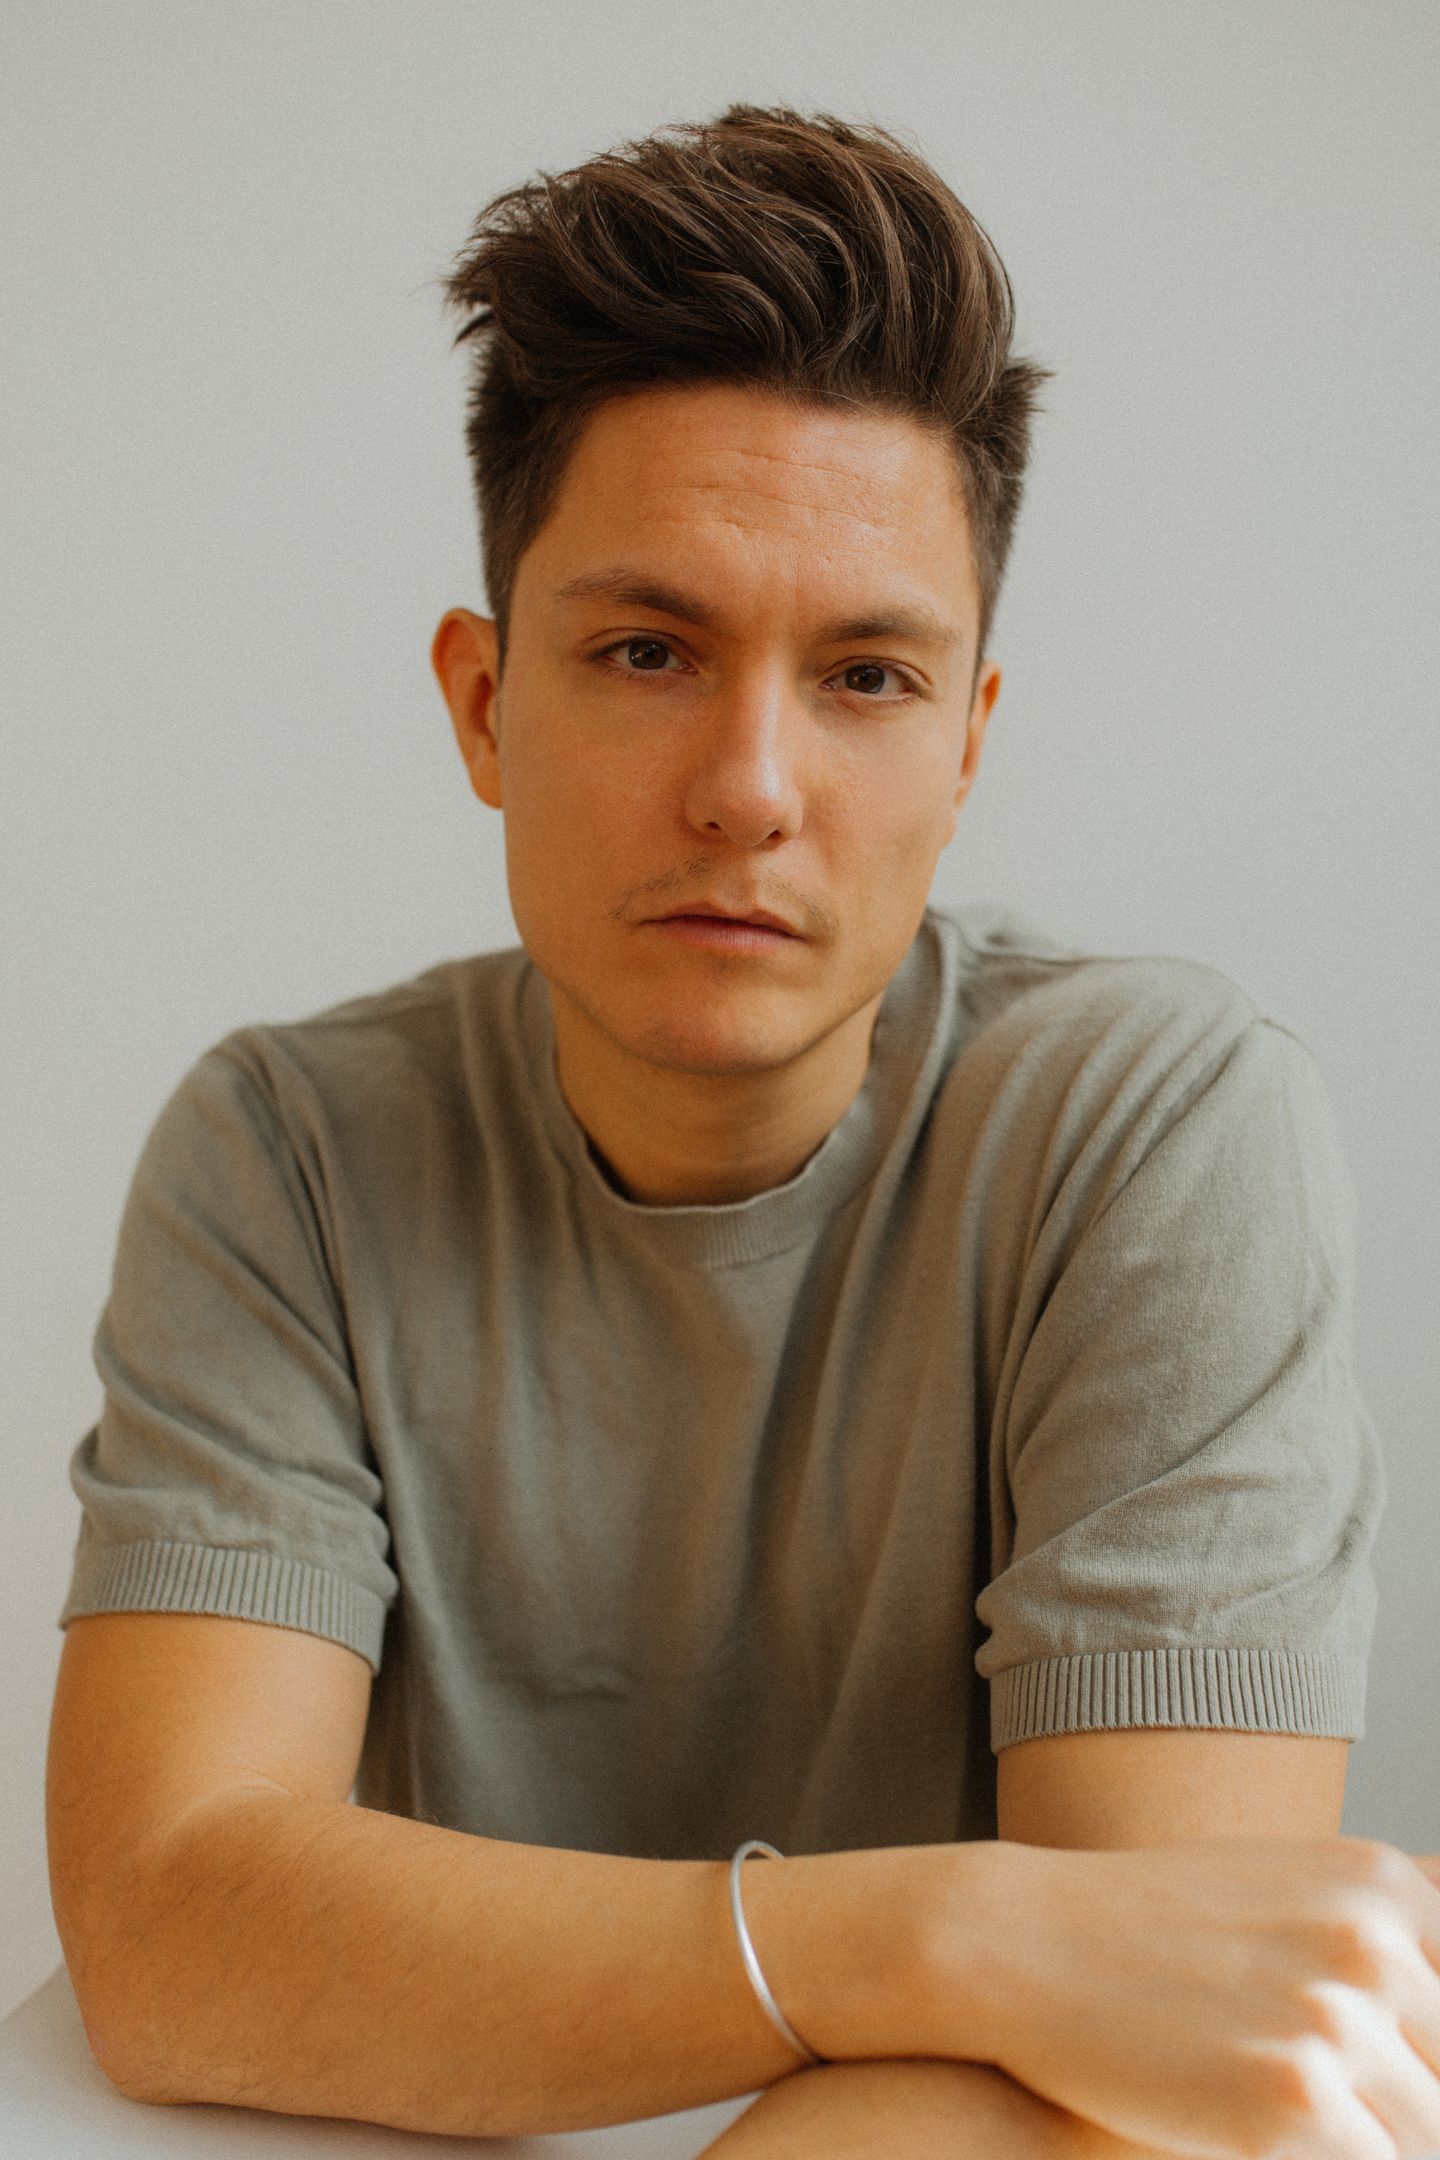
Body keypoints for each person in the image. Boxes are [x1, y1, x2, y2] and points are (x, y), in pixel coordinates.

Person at [44, 103, 1440, 2158]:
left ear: (966, 744)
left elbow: (1161, 2028)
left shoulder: (1153, 1119)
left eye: (867, 676)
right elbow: (172, 1938)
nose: (751, 788)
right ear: (485, 705)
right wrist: (952, 1931)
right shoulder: (289, 1150)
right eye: (648, 651)